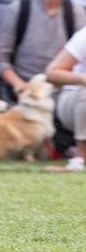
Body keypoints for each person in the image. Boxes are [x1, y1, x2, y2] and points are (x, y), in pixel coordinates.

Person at [0, 0, 86, 101]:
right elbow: (0, 60)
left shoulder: (77, 13)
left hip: (63, 93)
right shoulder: (18, 10)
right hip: (25, 91)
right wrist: (19, 86)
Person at [44, 23, 86, 171]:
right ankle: (79, 159)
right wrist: (82, 78)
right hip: (73, 101)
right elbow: (51, 72)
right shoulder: (84, 35)